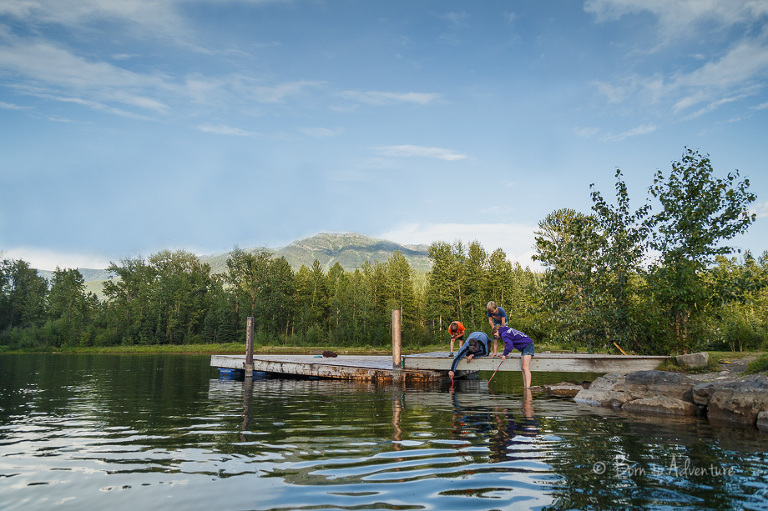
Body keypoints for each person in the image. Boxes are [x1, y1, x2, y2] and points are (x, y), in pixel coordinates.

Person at [493, 324, 535, 389]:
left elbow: (509, 345)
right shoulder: (506, 330)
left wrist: (504, 355)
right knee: (523, 367)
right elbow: (509, 343)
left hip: (528, 346)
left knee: (525, 367)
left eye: (496, 335)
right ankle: (525, 386)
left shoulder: (504, 334)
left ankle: (528, 387)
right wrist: (505, 353)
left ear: (497, 330)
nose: (497, 337)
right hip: (526, 346)